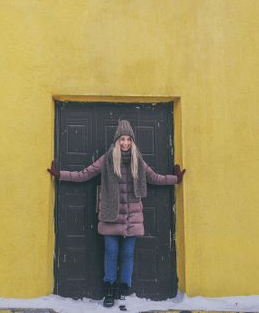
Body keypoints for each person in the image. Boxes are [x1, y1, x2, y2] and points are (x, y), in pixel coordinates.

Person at [48, 120, 185, 308]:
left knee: (128, 254)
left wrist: (175, 179)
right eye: (122, 139)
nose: (125, 143)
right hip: (111, 216)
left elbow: (154, 177)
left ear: (133, 141)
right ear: (117, 141)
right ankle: (110, 289)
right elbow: (84, 174)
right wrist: (60, 174)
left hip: (132, 217)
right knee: (111, 252)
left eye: (128, 139)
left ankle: (123, 287)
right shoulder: (108, 159)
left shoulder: (138, 160)